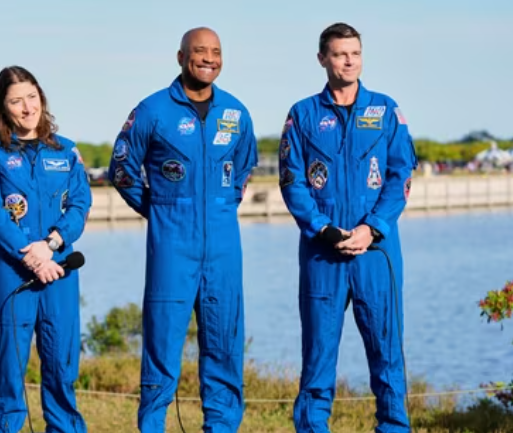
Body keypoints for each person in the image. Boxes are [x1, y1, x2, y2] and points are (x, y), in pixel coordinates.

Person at [108, 27, 258, 433]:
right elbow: (121, 169)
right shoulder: (153, 110)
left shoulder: (236, 113)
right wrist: (160, 209)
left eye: (216, 52)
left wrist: (219, 208)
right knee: (162, 346)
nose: (209, 59)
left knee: (225, 344)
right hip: (172, 246)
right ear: (180, 57)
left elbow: (244, 168)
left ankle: (221, 426)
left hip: (224, 248)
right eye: (200, 51)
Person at [278, 22, 417, 433]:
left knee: (387, 354)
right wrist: (323, 229)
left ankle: (394, 427)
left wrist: (372, 228)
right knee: (318, 356)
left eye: (355, 53)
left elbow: (401, 175)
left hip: (376, 252)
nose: (349, 61)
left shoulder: (385, 110)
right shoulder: (302, 114)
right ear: (322, 58)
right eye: (340, 54)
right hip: (323, 252)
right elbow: (291, 181)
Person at [0, 65, 91, 433]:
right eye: (16, 101)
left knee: (61, 369)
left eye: (32, 97)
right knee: (8, 373)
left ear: (41, 98)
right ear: (1, 108)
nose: (27, 108)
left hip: (59, 271)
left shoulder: (66, 151)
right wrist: (31, 255)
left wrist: (51, 244)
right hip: (14, 275)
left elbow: (80, 206)